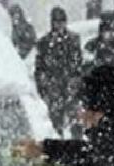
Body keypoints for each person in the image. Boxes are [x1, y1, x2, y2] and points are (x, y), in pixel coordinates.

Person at [34, 7, 83, 136]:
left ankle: (77, 144)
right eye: (57, 22)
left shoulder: (73, 40)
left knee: (75, 122)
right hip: (53, 88)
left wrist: (75, 82)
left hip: (71, 87)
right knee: (55, 123)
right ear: (52, 23)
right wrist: (43, 86)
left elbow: (78, 64)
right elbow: (39, 68)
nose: (59, 25)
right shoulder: (44, 42)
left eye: (62, 21)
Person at [84, 12, 114, 89]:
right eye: (107, 30)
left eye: (113, 31)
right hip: (96, 86)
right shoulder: (92, 45)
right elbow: (86, 70)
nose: (110, 34)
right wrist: (96, 64)